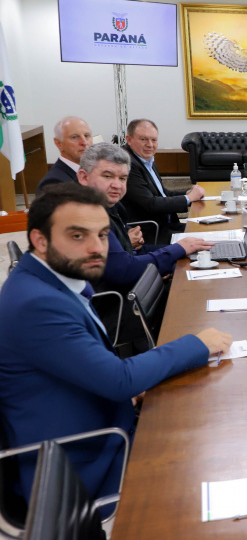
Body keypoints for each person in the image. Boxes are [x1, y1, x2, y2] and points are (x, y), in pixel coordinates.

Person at [0, 183, 231, 511]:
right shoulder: (35, 304)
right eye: (78, 236)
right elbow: (119, 380)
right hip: (85, 462)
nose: (97, 248)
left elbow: (93, 368)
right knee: (219, 459)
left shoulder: (50, 281)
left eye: (103, 235)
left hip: (102, 418)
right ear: (40, 240)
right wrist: (197, 343)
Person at [77, 143, 213, 286]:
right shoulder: (89, 218)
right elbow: (126, 270)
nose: (117, 185)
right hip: (121, 300)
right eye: (107, 176)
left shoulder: (109, 206)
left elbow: (134, 253)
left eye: (122, 178)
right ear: (83, 177)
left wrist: (182, 248)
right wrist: (176, 249)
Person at [121, 118, 206, 244]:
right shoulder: (128, 165)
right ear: (129, 139)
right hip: (152, 232)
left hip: (168, 225)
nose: (150, 144)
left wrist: (188, 193)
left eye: (154, 140)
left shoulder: (146, 160)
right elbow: (151, 204)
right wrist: (188, 198)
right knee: (205, 240)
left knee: (209, 231)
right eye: (143, 139)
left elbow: (162, 192)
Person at [36, 116, 93, 192]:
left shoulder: (94, 172)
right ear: (58, 143)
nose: (84, 142)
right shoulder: (54, 183)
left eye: (86, 136)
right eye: (75, 137)